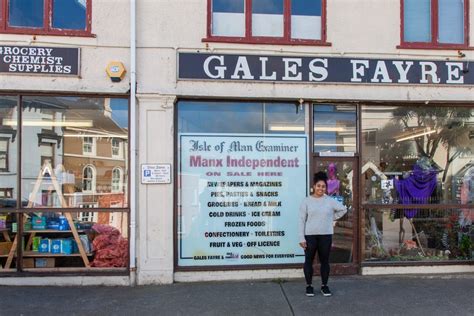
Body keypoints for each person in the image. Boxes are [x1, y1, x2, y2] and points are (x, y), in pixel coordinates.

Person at [298, 171, 347, 297]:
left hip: (325, 235)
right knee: (308, 261)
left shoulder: (330, 201)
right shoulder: (306, 201)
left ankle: (324, 286)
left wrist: (331, 218)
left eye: (323, 186)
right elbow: (301, 220)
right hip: (310, 236)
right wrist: (301, 238)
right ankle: (309, 286)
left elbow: (343, 209)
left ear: (326, 188)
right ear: (314, 186)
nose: (321, 188)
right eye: (318, 186)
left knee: (325, 262)